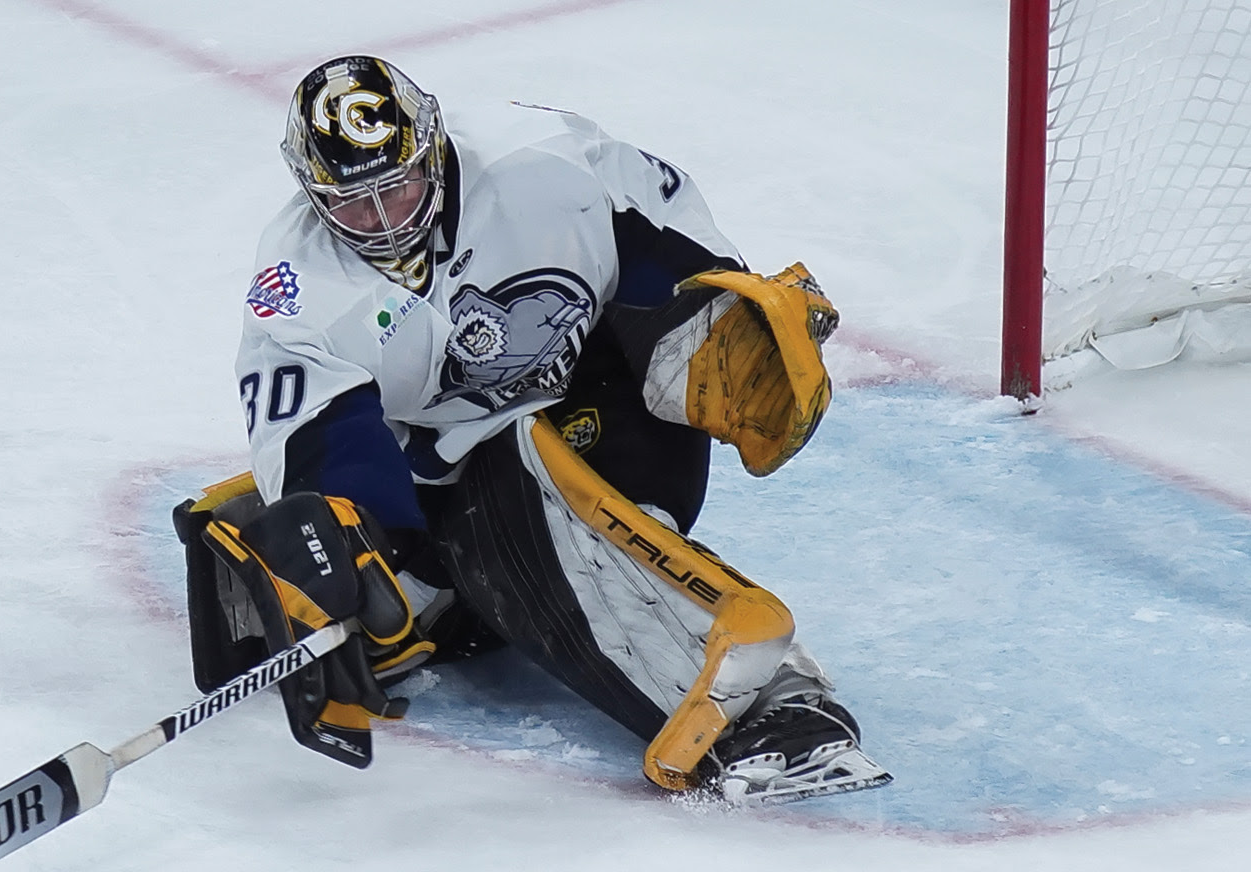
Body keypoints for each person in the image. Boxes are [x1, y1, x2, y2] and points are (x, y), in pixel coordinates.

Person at [171, 55, 889, 802]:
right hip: (443, 466)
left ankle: (777, 700)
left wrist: (710, 328)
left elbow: (666, 248)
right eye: (354, 204)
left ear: (434, 146)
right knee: (344, 602)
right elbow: (329, 441)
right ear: (313, 195)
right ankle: (467, 588)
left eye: (400, 185)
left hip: (613, 413)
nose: (386, 220)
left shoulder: (544, 162)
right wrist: (345, 537)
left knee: (515, 509)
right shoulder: (294, 290)